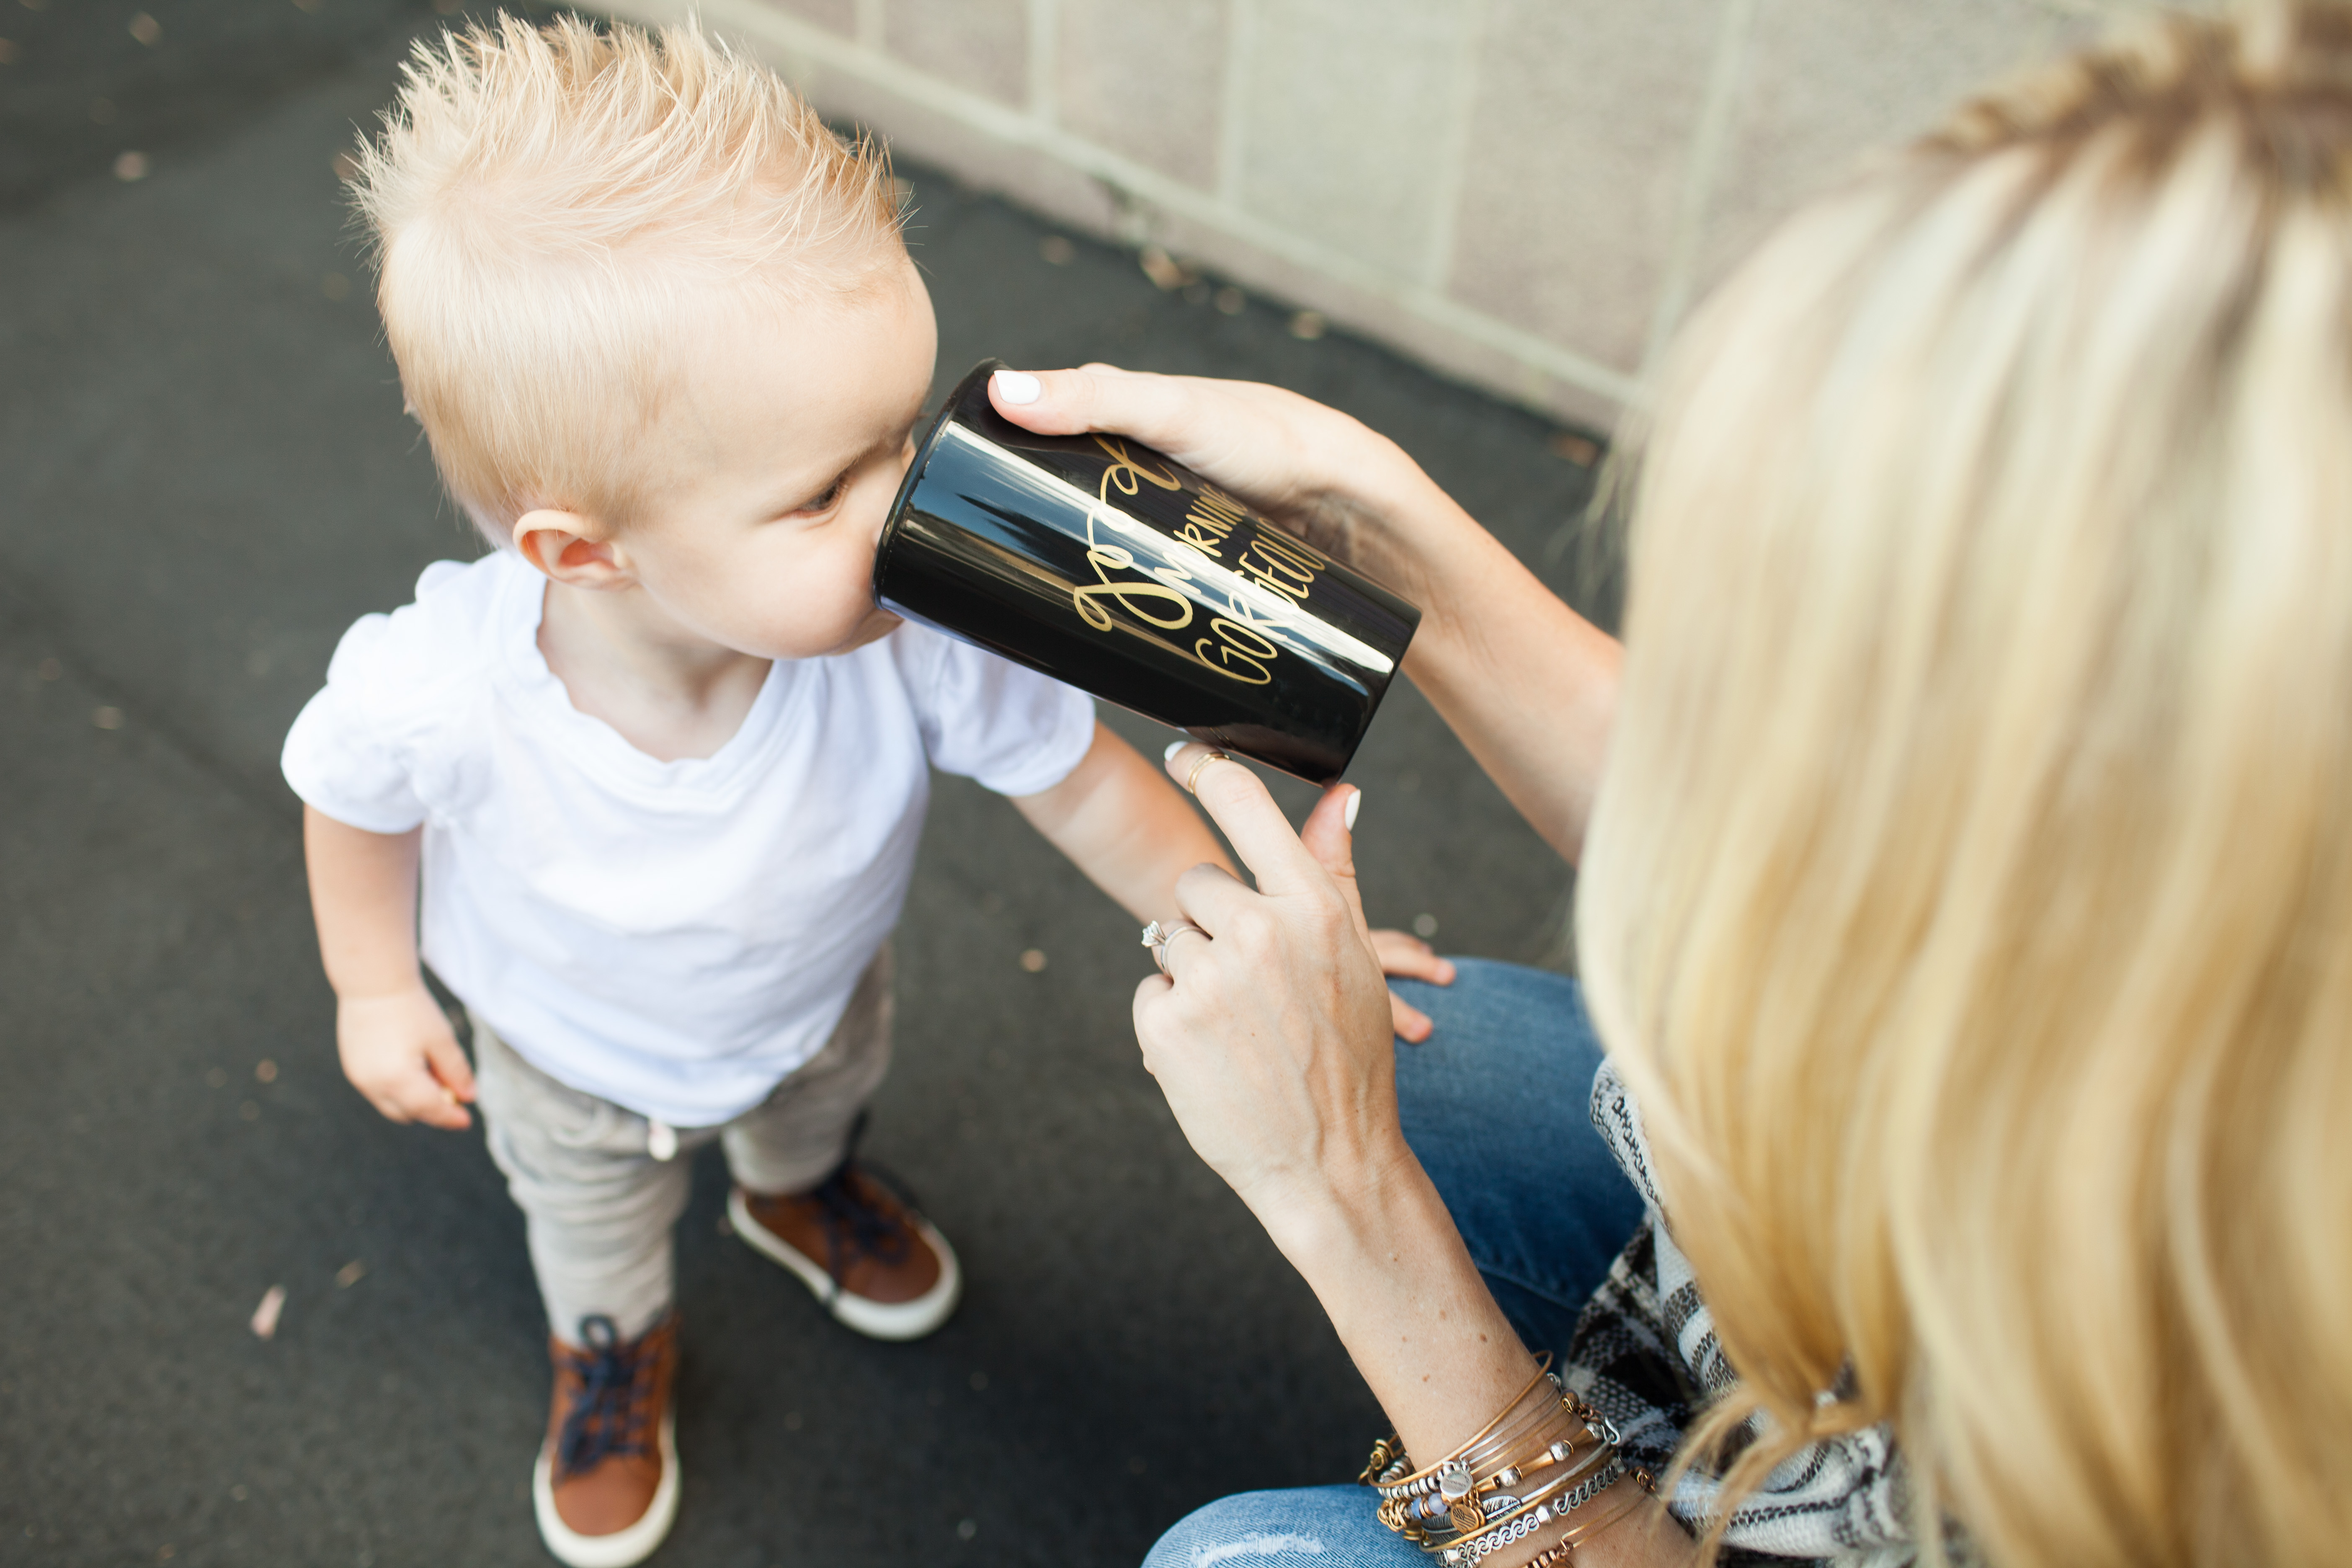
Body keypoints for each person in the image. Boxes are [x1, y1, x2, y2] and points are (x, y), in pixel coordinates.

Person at [986, 3, 2352, 1564]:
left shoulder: (2223, 1372)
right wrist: (1367, 507)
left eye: (1849, 661)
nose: (1747, 723)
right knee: (1434, 1058)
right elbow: (1767, 823)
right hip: (1818, 1290)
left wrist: (1346, 1198)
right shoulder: (2173, 902)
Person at [280, 18, 1448, 1566]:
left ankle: (796, 1196)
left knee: (812, 1118)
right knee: (594, 1232)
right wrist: (374, 989)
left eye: (903, 437)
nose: (907, 508)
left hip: (818, 1004)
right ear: (585, 552)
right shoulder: (436, 686)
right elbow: (348, 796)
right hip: (571, 1061)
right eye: (828, 489)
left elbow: (1087, 790)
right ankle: (612, 1349)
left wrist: (1270, 936)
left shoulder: (911, 635)